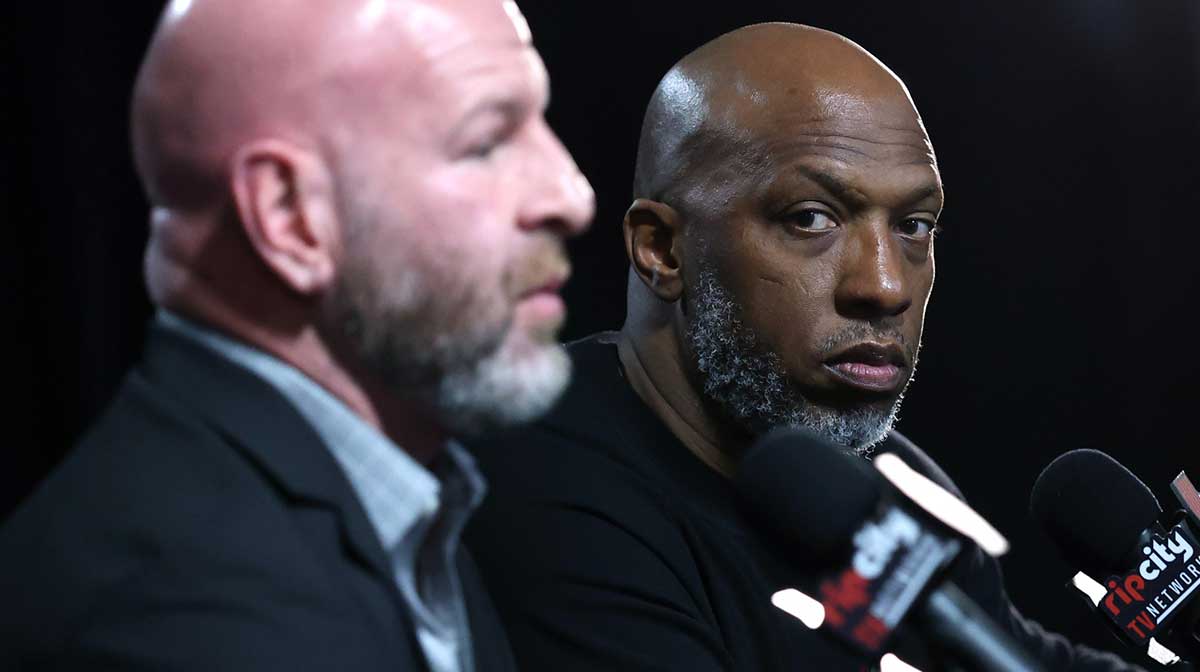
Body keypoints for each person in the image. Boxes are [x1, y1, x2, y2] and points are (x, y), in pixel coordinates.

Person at [464, 23, 1148, 671]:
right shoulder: (547, 474)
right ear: (663, 250)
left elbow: (1016, 657)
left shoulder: (879, 482)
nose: (885, 286)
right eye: (810, 218)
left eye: (914, 225)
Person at [0, 0, 593, 670]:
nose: (572, 195)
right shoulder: (183, 619)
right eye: (485, 143)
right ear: (289, 217)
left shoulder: (403, 497)